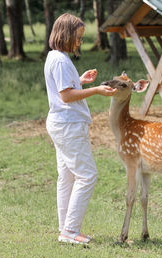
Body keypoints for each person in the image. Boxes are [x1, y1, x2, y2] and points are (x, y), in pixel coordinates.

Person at [44, 13, 117, 245]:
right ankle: (71, 230)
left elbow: (63, 88)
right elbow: (66, 96)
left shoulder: (56, 57)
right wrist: (95, 90)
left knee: (66, 176)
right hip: (69, 125)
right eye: (78, 37)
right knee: (87, 175)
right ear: (66, 35)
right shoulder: (61, 60)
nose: (80, 42)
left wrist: (80, 80)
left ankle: (65, 229)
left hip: (61, 123)